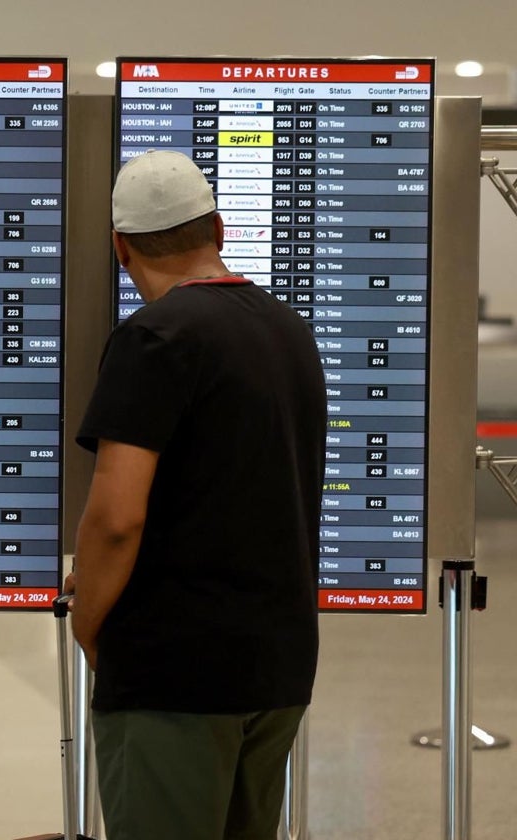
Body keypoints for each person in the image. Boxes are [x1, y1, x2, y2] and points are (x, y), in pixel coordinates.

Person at [71, 150, 326, 840]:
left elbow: (117, 518)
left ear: (120, 247)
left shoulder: (155, 338)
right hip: (277, 668)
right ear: (218, 227)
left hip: (175, 676)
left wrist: (87, 621)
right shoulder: (287, 330)